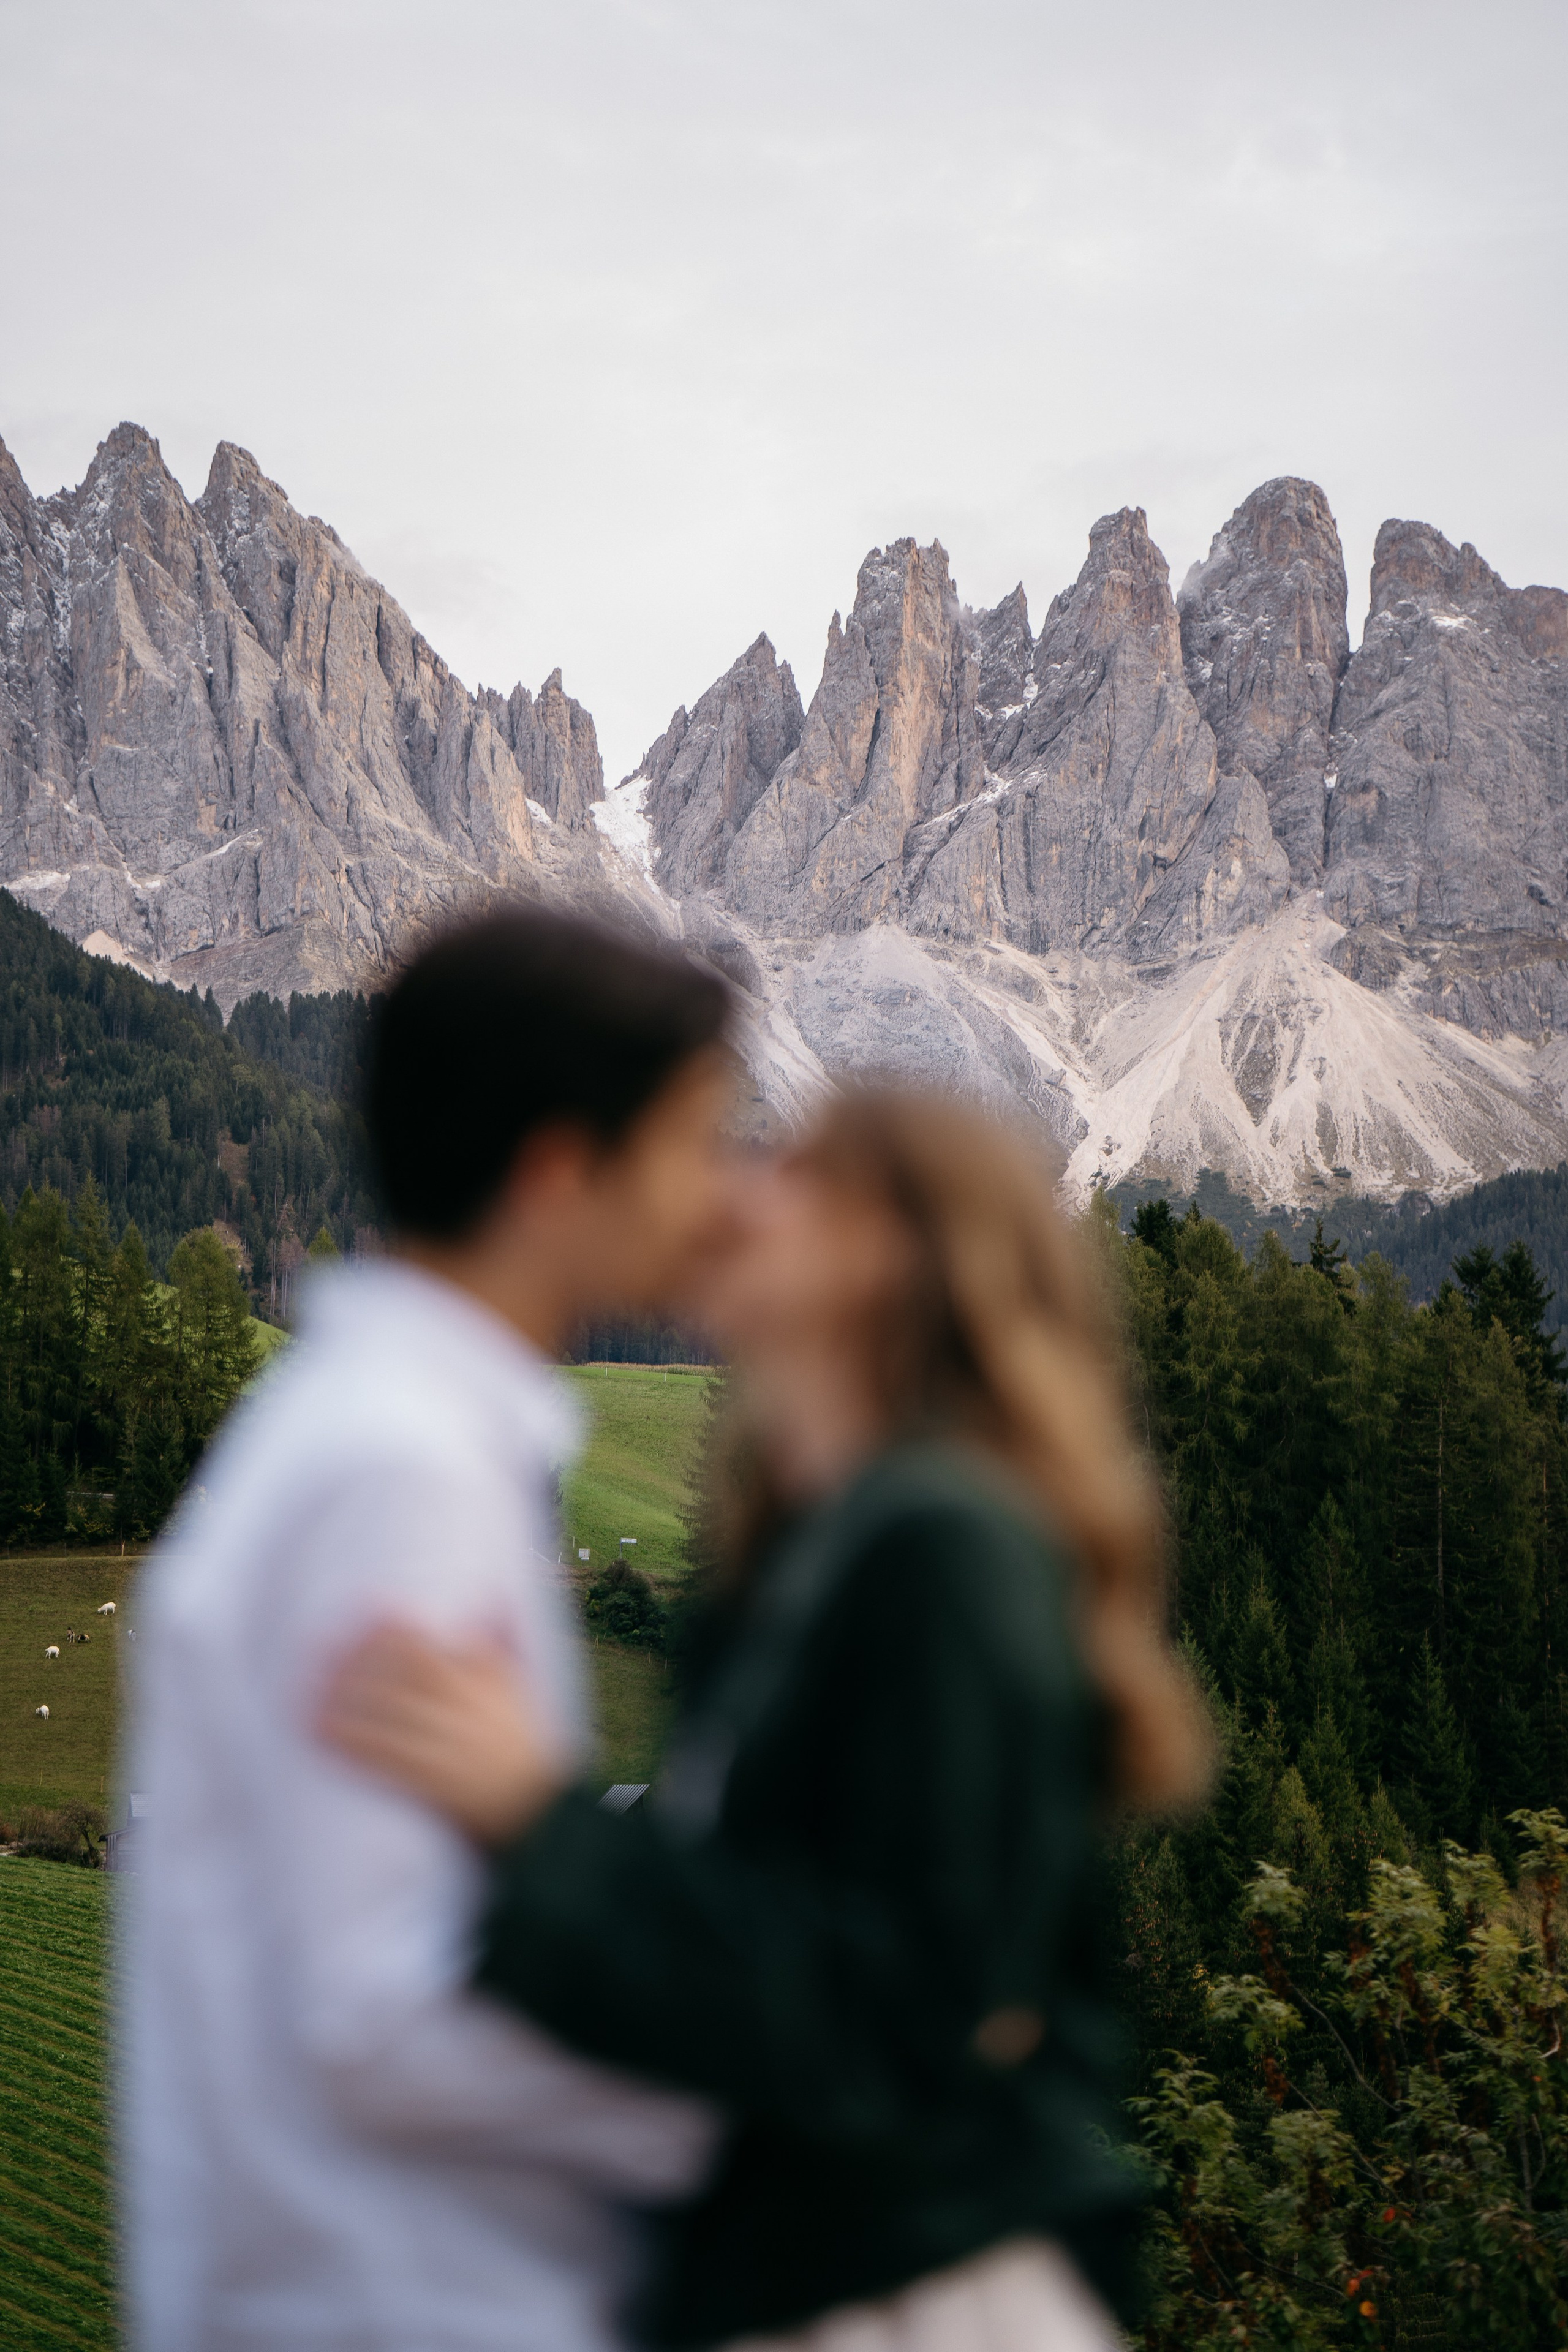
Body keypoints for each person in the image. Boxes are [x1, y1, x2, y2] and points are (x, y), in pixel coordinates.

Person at [320, 1087, 1215, 2351]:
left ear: (888, 1251)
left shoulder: (945, 1548)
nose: (733, 1192)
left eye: (793, 1172)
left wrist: (543, 1828)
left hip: (927, 2297)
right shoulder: (804, 1557)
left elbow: (913, 2015)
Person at [123, 906, 736, 2352]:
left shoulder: (380, 1432)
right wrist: (759, 2082)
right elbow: (380, 2010)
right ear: (557, 1172)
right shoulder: (404, 1468)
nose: (718, 1193)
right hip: (399, 2298)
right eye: (688, 1144)